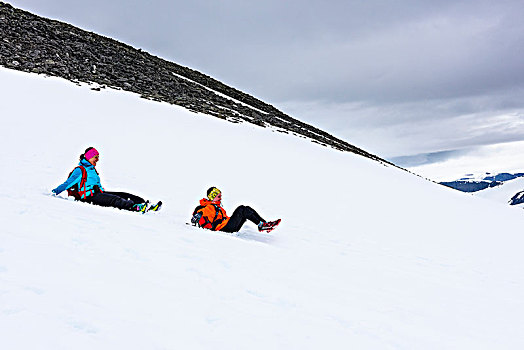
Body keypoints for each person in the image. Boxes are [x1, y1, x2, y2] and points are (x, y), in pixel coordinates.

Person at [52, 147, 161, 213]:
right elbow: (67, 183)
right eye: (95, 157)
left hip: (98, 193)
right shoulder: (79, 170)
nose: (97, 159)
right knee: (114, 199)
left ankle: (146, 204)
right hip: (88, 197)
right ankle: (135, 207)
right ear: (88, 157)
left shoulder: (92, 170)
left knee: (123, 194)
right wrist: (54, 192)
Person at [191, 187, 280, 233]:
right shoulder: (210, 207)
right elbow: (202, 214)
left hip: (227, 225)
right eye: (218, 196)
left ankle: (263, 224)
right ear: (212, 197)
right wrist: (198, 216)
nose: (220, 197)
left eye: (220, 195)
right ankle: (262, 225)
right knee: (241, 209)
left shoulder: (219, 207)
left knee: (246, 209)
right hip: (222, 228)